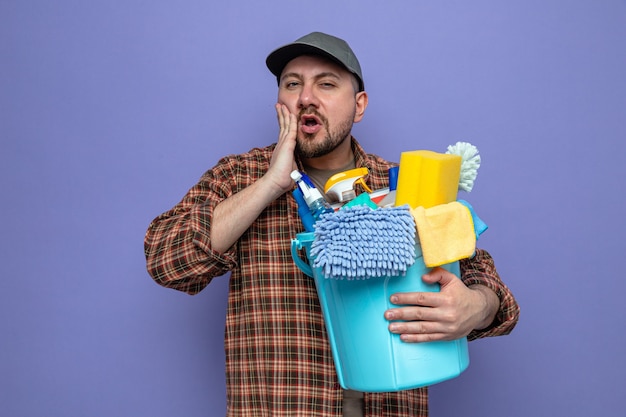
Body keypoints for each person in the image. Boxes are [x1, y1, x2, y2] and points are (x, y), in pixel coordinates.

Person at [144, 31, 520, 417]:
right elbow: (166, 260)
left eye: (326, 84)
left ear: (359, 106)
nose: (306, 97)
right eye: (293, 84)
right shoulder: (238, 178)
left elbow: (491, 288)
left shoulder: (402, 187)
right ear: (280, 103)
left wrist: (476, 305)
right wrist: (270, 183)